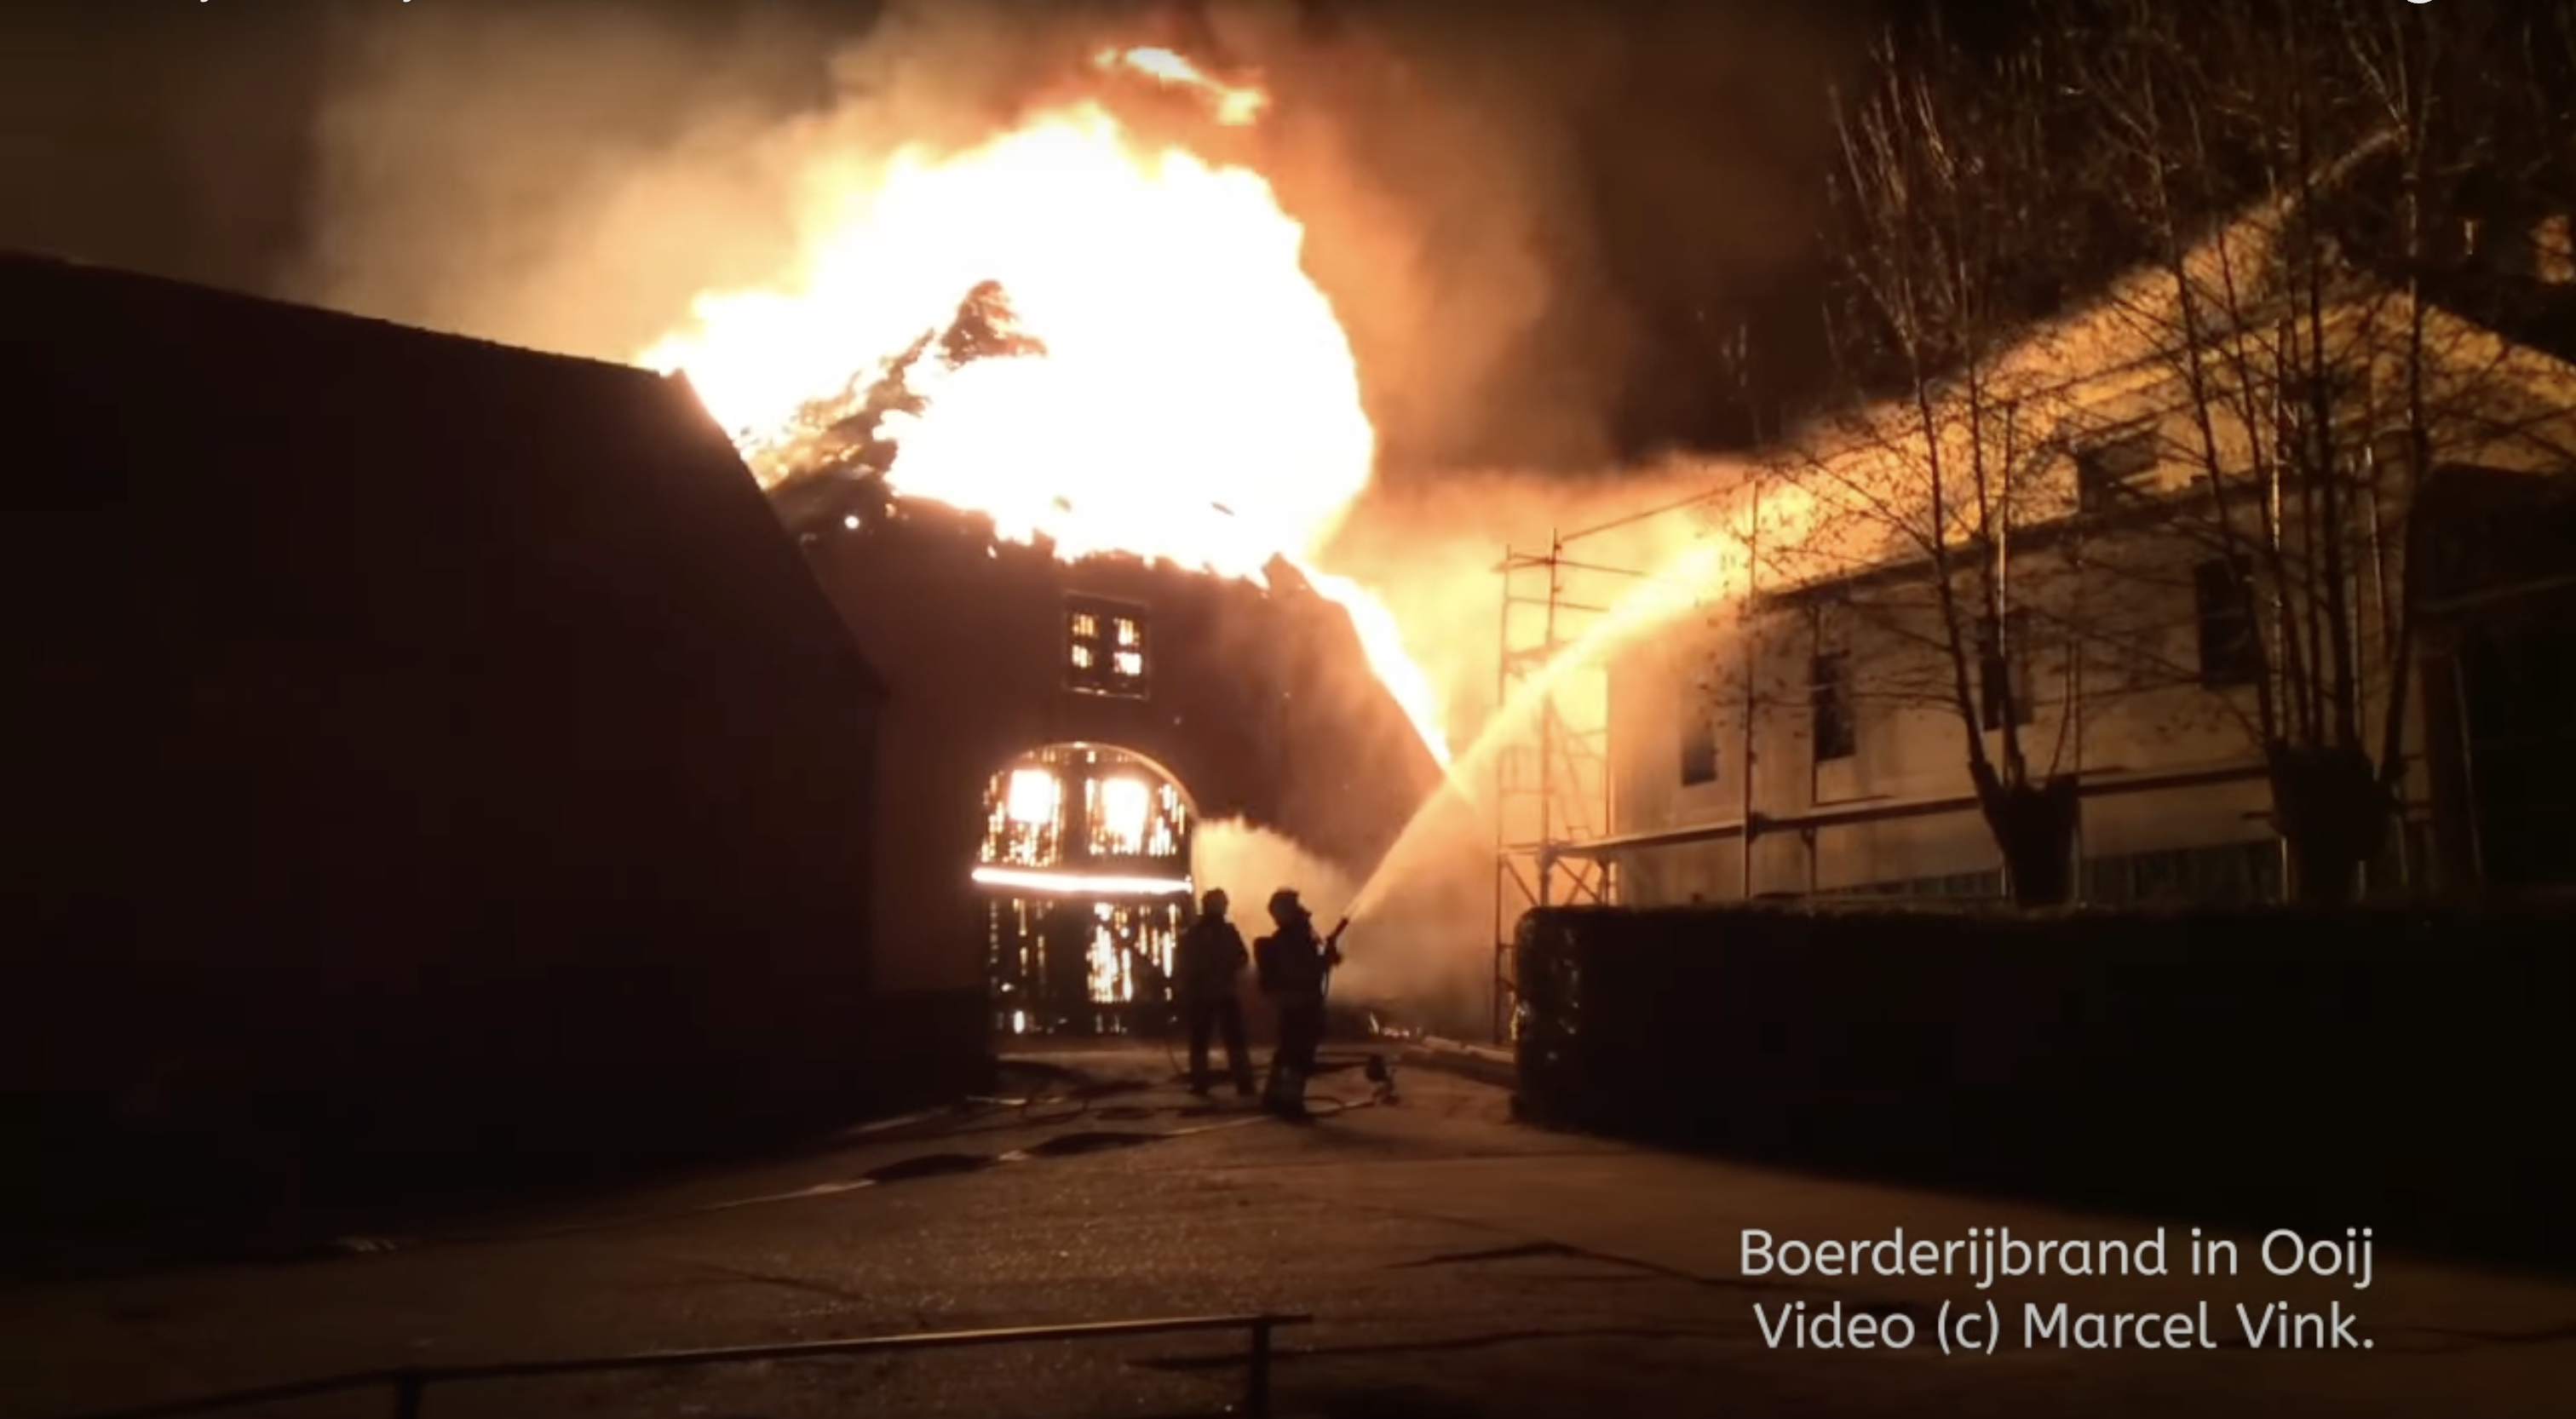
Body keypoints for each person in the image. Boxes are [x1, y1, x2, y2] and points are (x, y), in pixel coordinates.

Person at [1253, 887, 1343, 1117]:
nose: (1304, 910)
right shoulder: (1292, 940)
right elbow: (1308, 969)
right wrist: (1326, 958)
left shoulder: (1299, 937)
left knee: (1287, 1050)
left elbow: (1321, 962)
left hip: (1296, 1000)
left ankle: (1275, 1096)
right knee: (1298, 1053)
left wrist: (1328, 953)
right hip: (1301, 1000)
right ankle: (1290, 1100)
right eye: (1296, 906)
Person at [1174, 889, 1256, 1097]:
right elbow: (1241, 958)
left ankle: (1205, 1083)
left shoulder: (1197, 933)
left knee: (1210, 1039)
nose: (1224, 907)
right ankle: (1239, 1083)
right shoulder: (1217, 932)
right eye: (1221, 904)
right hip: (1215, 993)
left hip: (1210, 993)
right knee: (1224, 1039)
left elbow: (1241, 958)